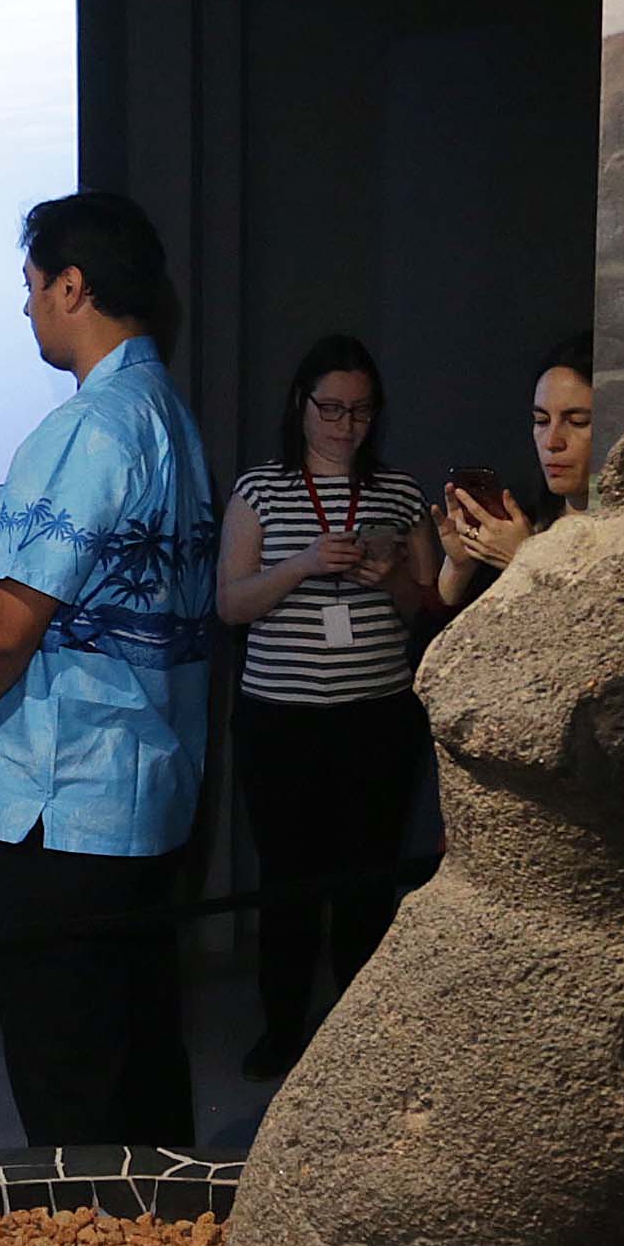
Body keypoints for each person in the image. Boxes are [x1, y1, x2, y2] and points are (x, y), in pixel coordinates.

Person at [0, 193, 216, 1150]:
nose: (26, 308)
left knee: (71, 1096)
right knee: (141, 1069)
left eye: (30, 286)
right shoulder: (170, 418)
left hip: (67, 809)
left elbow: (8, 628)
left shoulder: (88, 430)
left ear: (71, 286)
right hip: (149, 797)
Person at [217, 334, 437, 1080]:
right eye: (332, 409)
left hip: (376, 717)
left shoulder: (399, 492)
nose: (346, 426)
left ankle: (358, 1039)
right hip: (281, 718)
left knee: (367, 881)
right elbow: (231, 603)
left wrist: (390, 578)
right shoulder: (262, 489)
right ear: (302, 405)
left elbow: (425, 608)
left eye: (361, 411)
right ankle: (282, 1030)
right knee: (288, 882)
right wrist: (305, 564)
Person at [437, 335, 598, 610]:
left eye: (577, 422)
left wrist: (525, 558)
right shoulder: (521, 516)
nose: (552, 441)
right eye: (541, 421)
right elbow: (449, 620)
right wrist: (459, 566)